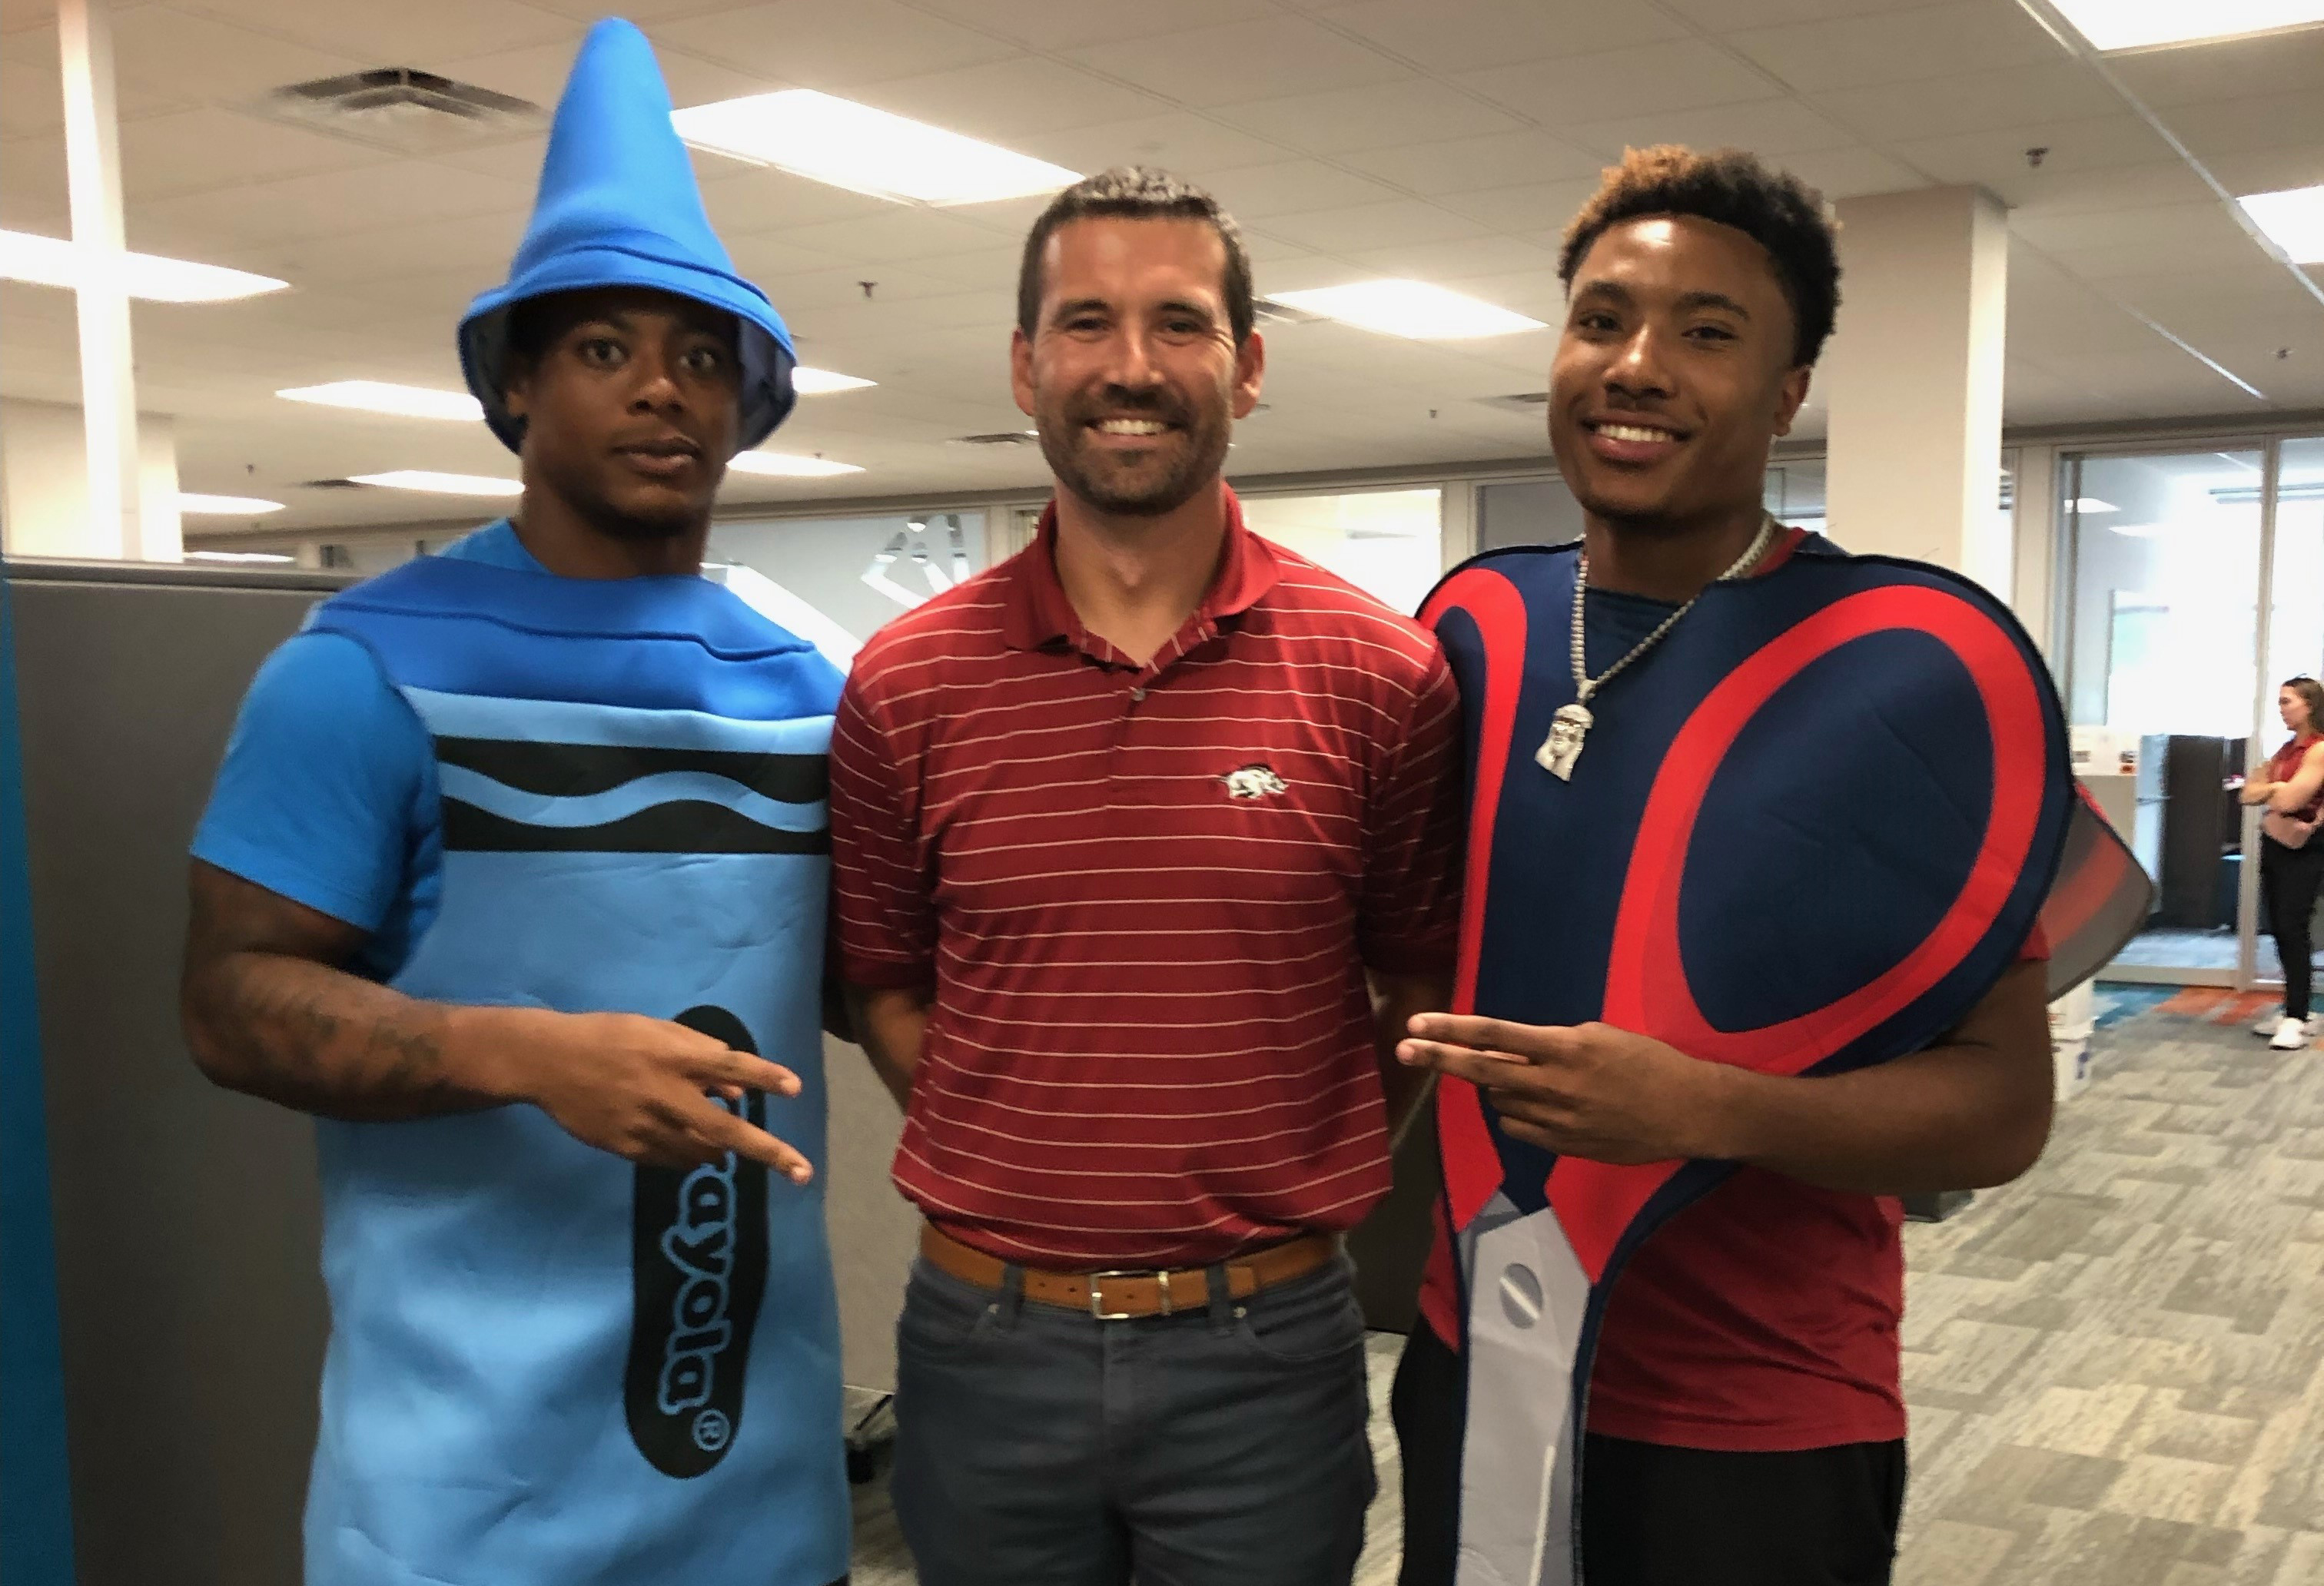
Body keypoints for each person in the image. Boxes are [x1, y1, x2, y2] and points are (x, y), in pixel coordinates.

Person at [1386, 146, 2139, 1586]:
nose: (1638, 365)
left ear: (1787, 392)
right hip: (1471, 1347)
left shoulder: (1903, 679)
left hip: (1753, 1412)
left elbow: (1998, 1109)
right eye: (1601, 319)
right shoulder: (1471, 627)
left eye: (1706, 332)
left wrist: (1703, 1106)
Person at [178, 22, 849, 1586]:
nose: (662, 393)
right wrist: (520, 1052)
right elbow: (228, 1004)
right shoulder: (366, 673)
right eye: (606, 351)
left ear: (748, 404)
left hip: (754, 1476)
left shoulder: (811, 685)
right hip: (460, 1500)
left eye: (701, 358)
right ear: (517, 389)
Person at [826, 166, 1464, 1586]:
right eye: (1085, 323)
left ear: (1244, 365)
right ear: (1022, 365)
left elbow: (1415, 974)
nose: (1129, 367)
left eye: (1177, 323)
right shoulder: (904, 680)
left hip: (1267, 1343)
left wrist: (1294, 1162)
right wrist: (1015, 1137)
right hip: (984, 1341)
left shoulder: (1378, 670)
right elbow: (880, 972)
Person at [2240, 675, 2324, 1050]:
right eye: (2279, 701)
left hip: (2305, 847)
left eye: (2287, 701)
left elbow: (2290, 802)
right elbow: (2248, 793)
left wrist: (2274, 791)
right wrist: (2276, 790)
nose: (2281, 708)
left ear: (2309, 705)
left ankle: (2296, 1017)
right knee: (2280, 928)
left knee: (2293, 927)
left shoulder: (2319, 750)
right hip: (2277, 844)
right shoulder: (2287, 750)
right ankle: (2296, 1009)